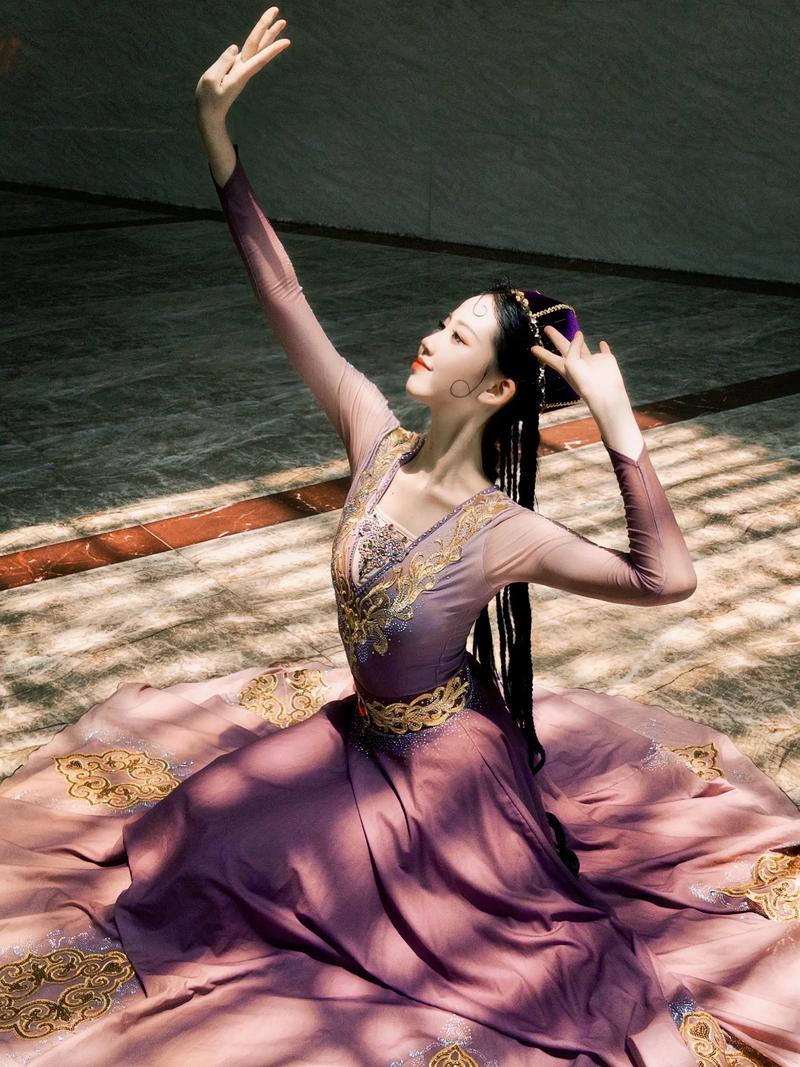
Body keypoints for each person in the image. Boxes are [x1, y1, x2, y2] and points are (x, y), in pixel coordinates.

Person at [1, 8, 798, 1065]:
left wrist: (619, 429)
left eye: (455, 335)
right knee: (194, 823)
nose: (429, 337)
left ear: (495, 387)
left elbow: (668, 580)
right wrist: (215, 134)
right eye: (440, 320)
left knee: (436, 946)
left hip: (443, 779)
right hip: (361, 732)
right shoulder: (372, 434)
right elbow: (283, 293)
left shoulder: (501, 530)